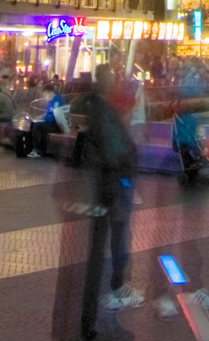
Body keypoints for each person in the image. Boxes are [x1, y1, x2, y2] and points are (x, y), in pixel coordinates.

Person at [76, 65, 142, 333]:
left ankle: (91, 322)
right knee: (111, 247)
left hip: (99, 189)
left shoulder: (90, 106)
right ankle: (101, 315)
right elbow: (117, 153)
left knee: (98, 253)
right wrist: (126, 182)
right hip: (110, 188)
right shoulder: (104, 111)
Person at [172, 105, 208, 187]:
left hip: (181, 144)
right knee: (192, 158)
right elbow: (191, 134)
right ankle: (192, 176)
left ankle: (190, 176)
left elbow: (179, 135)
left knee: (186, 158)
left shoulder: (180, 121)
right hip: (187, 143)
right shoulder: (190, 120)